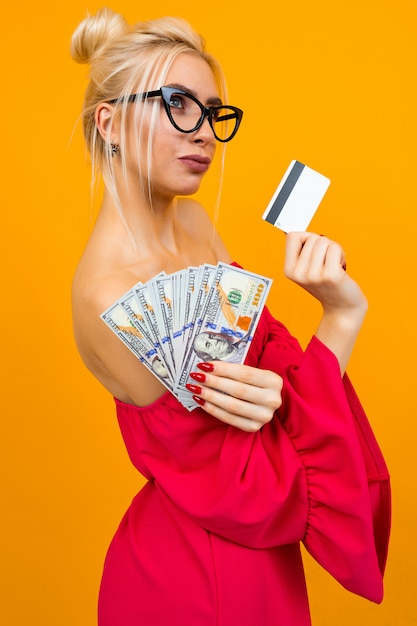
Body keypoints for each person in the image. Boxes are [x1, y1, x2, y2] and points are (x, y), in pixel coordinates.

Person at [70, 8, 390, 625]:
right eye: (178, 104)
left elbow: (277, 376)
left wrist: (292, 385)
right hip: (193, 582)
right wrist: (342, 319)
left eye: (213, 112)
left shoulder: (191, 220)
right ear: (109, 121)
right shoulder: (108, 296)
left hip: (254, 565)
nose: (205, 133)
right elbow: (259, 485)